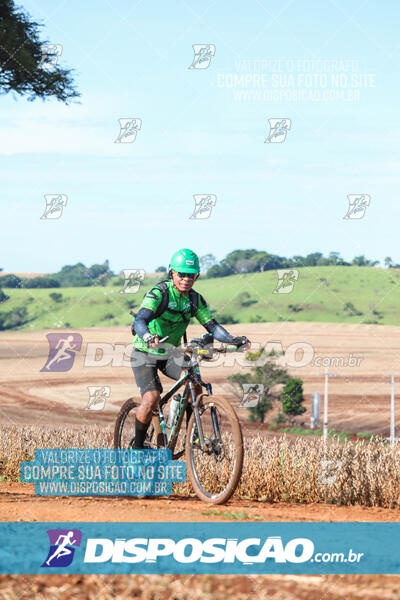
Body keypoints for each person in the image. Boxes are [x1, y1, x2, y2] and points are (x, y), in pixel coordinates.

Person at [130, 248, 250, 448]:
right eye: (182, 274)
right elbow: (141, 319)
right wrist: (148, 336)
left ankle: (192, 436)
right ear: (172, 274)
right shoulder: (159, 293)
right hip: (144, 352)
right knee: (152, 398)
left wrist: (233, 339)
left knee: (194, 383)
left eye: (191, 275)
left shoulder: (194, 300)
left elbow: (212, 326)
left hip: (170, 353)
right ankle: (137, 450)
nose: (186, 279)